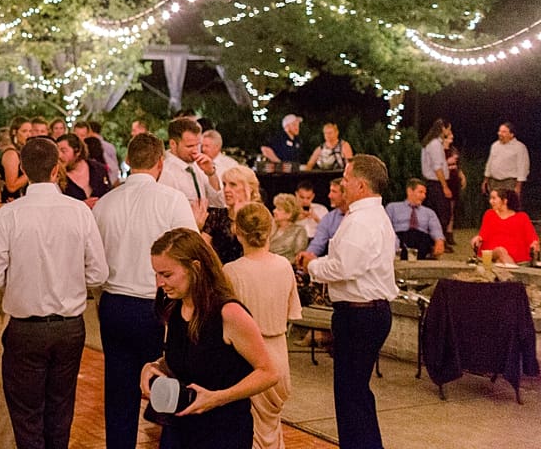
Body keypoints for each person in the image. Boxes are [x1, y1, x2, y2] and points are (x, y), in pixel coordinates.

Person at [0, 136, 108, 449]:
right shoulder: (79, 212)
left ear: (22, 168)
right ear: (56, 170)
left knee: (26, 417)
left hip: (25, 329)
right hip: (69, 328)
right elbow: (99, 273)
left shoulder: (10, 215)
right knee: (61, 412)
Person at [93, 133, 196, 449]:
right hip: (158, 304)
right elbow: (190, 251)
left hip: (113, 302)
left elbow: (95, 256)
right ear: (160, 163)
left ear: (128, 161)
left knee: (118, 389)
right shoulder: (172, 199)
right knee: (166, 385)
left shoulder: (106, 202)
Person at [140, 228, 278, 449]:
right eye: (156, 274)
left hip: (222, 431)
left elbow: (269, 372)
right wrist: (154, 366)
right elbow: (186, 357)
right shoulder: (175, 306)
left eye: (166, 275)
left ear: (195, 268)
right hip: (180, 427)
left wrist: (219, 397)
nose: (159, 283)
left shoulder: (228, 312)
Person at [306, 155, 398, 449]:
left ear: (360, 185)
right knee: (354, 393)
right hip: (364, 314)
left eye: (345, 179)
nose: (341, 184)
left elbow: (344, 268)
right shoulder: (369, 216)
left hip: (360, 316)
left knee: (351, 394)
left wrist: (312, 266)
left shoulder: (362, 220)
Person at [224, 205, 301, 449]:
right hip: (279, 355)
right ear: (270, 230)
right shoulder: (283, 266)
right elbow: (293, 312)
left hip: (247, 357)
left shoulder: (232, 271)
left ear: (237, 231)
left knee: (251, 431)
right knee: (271, 427)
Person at [201, 166, 264, 266]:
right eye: (225, 184)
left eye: (233, 185)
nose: (226, 190)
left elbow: (259, 250)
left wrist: (241, 217)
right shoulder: (216, 215)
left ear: (249, 189)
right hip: (220, 272)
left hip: (251, 270)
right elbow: (203, 247)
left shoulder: (259, 216)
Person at [158, 116, 225, 209]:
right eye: (190, 146)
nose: (195, 150)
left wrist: (211, 173)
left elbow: (219, 203)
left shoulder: (198, 165)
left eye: (198, 145)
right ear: (173, 144)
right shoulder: (165, 172)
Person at [472, 188, 540, 264]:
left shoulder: (522, 217)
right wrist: (477, 238)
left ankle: (507, 269)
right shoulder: (489, 214)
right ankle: (513, 271)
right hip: (492, 252)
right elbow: (483, 234)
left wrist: (534, 243)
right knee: (501, 251)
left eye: (494, 198)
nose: (490, 201)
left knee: (500, 260)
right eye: (490, 198)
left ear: (505, 201)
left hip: (516, 256)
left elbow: (532, 237)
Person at [385, 179, 445, 259]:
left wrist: (439, 241)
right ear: (410, 191)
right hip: (400, 238)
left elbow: (436, 229)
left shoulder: (429, 212)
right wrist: (395, 243)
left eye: (425, 193)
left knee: (423, 239)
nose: (424, 196)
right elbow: (387, 228)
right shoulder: (393, 207)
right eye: (420, 192)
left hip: (421, 240)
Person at [420, 118, 453, 237]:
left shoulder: (433, 143)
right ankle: (438, 239)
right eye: (448, 129)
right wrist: (445, 186)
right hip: (436, 184)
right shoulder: (434, 144)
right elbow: (437, 167)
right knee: (442, 213)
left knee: (438, 213)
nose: (449, 132)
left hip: (434, 183)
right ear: (443, 128)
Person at [56, 133, 110, 206]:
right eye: (57, 151)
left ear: (77, 151)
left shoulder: (99, 169)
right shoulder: (57, 175)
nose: (59, 155)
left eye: (63, 151)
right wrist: (82, 205)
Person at [483, 121, 529, 197]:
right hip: (494, 182)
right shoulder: (495, 145)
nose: (500, 133)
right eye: (499, 131)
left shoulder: (519, 147)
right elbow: (489, 163)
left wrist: (518, 187)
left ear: (511, 134)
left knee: (508, 206)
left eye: (503, 132)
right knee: (494, 204)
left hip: (509, 183)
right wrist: (486, 180)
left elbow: (522, 168)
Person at [268, 193, 309, 263]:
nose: (274, 211)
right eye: (275, 208)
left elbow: (298, 258)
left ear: (289, 214)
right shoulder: (270, 228)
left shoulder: (299, 231)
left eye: (279, 209)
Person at [0, 116, 31, 201]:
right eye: (24, 131)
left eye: (30, 131)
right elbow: (11, 186)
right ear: (14, 132)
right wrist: (33, 171)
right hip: (12, 200)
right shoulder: (11, 154)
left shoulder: (20, 152)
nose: (28, 135)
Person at [87, 120, 121, 185]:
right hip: (112, 180)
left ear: (90, 131)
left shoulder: (96, 146)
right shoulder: (110, 146)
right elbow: (115, 165)